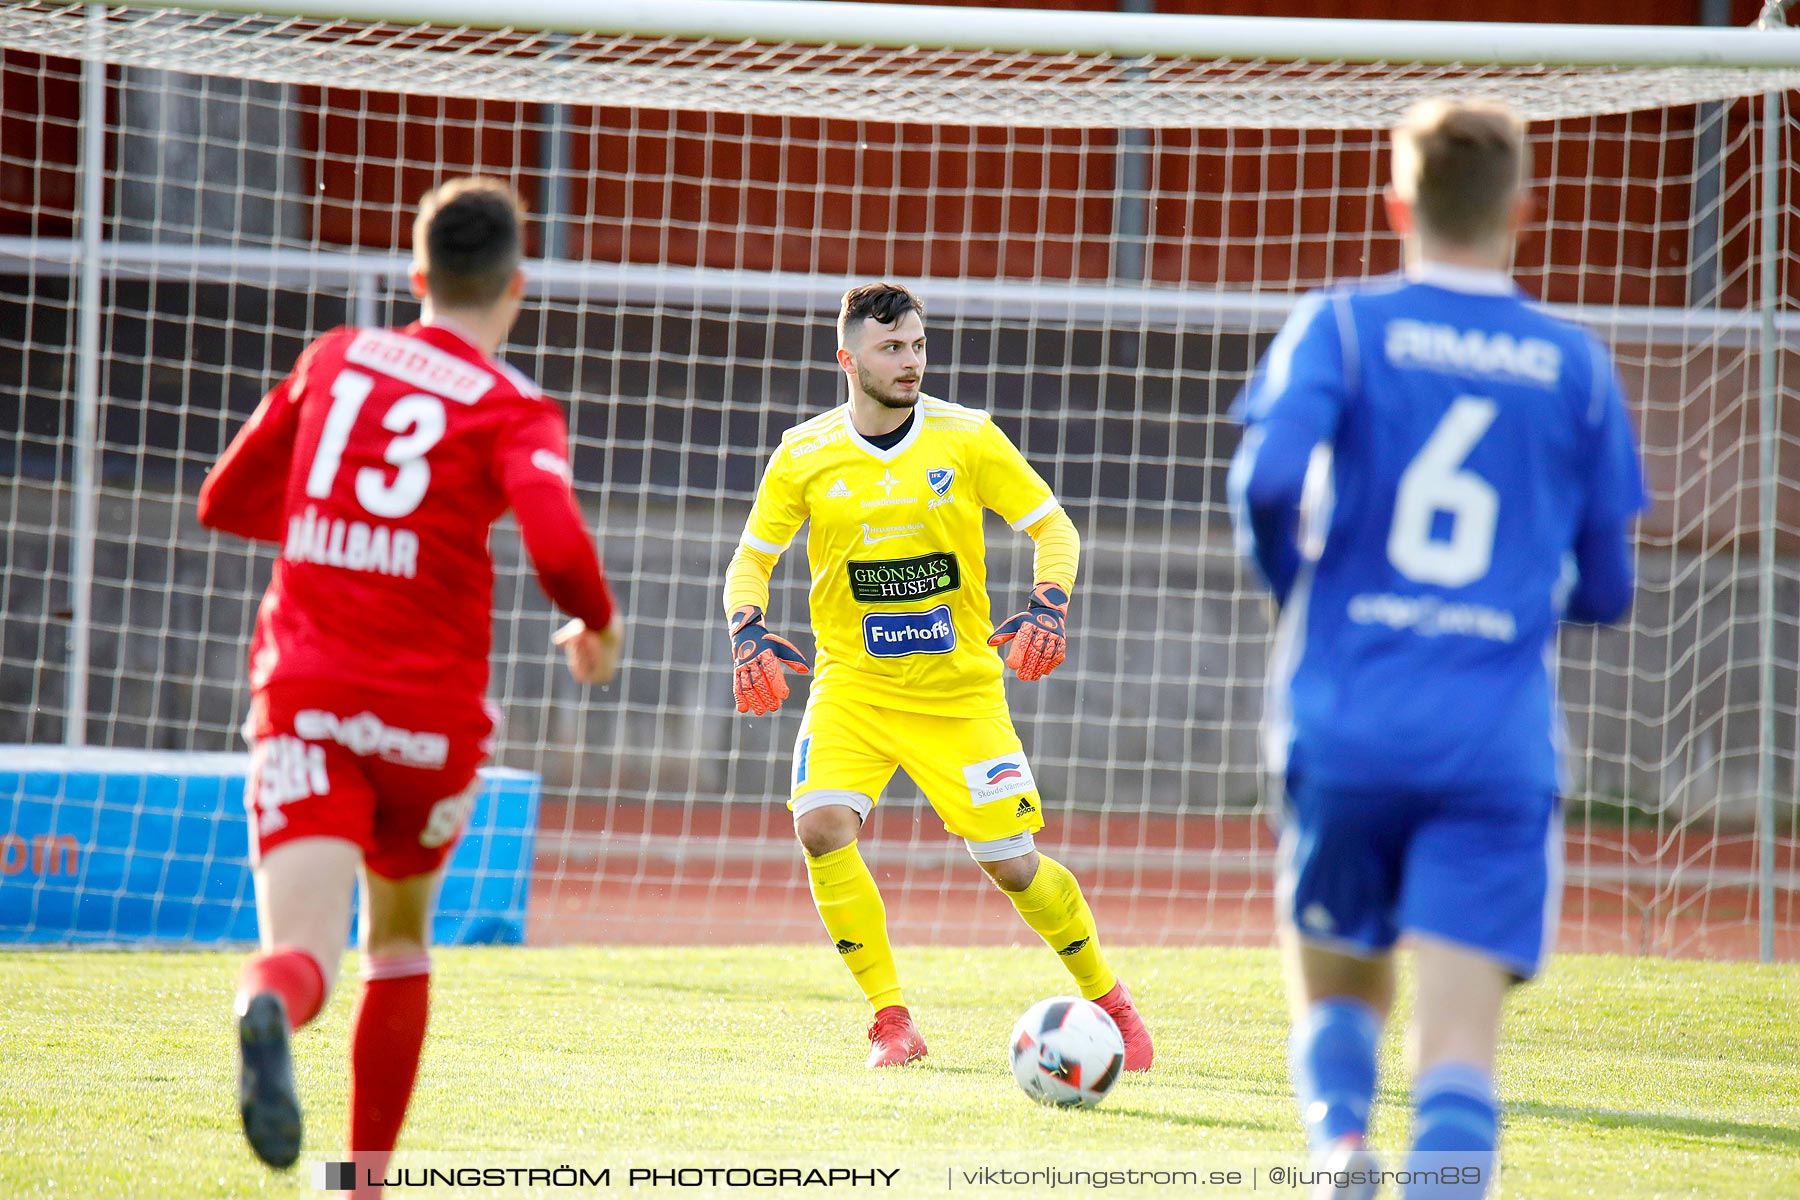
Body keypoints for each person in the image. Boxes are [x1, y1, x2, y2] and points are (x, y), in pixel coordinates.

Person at [1230, 99, 1647, 1199]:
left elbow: (1269, 482)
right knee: (1460, 1052)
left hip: (1348, 714)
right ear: (1521, 211)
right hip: (1491, 743)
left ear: (1398, 203)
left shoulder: (1342, 326)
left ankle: (1339, 1146)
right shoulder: (1575, 365)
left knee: (1338, 991)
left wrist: (1299, 588)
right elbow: (1609, 589)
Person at [197, 177, 623, 1193]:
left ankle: (267, 1002)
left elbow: (225, 498)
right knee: (396, 940)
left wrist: (340, 529)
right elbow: (557, 544)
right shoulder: (515, 407)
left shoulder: (334, 357)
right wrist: (598, 626)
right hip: (426, 721)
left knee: (301, 954)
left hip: (303, 693)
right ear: (515, 288)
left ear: (415, 273)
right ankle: (365, 1182)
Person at [722, 281, 1153, 1071]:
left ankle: (1111, 1001)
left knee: (1013, 867)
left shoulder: (967, 438)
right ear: (848, 359)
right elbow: (752, 558)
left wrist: (1049, 606)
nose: (911, 361)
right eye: (892, 348)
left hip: (960, 697)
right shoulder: (805, 454)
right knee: (819, 826)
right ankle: (891, 1022)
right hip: (853, 690)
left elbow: (1051, 525)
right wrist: (745, 629)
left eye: (918, 345)